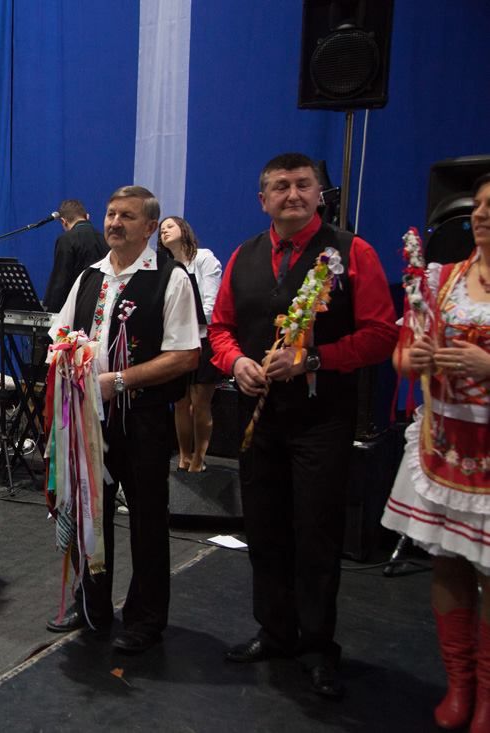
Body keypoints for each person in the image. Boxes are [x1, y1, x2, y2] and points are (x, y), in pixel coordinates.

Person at [209, 152, 398, 699]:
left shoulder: (353, 252)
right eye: (280, 186)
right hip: (258, 420)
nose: (291, 194)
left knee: (315, 533)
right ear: (262, 199)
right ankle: (274, 631)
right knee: (264, 529)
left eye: (302, 185)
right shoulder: (243, 255)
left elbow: (382, 335)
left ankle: (316, 645)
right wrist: (235, 363)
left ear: (319, 194)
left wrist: (315, 359)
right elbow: (220, 329)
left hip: (322, 420)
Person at [47, 185, 199, 652]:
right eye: (111, 214)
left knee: (147, 521)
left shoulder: (170, 279)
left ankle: (146, 619)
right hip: (88, 418)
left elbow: (186, 355)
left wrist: (121, 380)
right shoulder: (89, 276)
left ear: (150, 227)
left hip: (144, 419)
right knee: (89, 512)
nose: (114, 223)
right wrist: (66, 357)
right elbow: (60, 332)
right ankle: (91, 604)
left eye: (127, 216)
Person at [381, 173, 490, 730]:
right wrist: (414, 359)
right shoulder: (441, 279)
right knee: (448, 561)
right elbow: (403, 356)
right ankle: (459, 684)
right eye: (481, 205)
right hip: (444, 446)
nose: (484, 215)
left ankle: (488, 694)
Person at [157, 216, 223, 472]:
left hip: (203, 339)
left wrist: (182, 319)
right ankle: (184, 456)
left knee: (200, 403)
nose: (164, 231)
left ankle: (199, 458)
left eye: (170, 226)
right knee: (180, 401)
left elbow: (210, 305)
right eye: (161, 229)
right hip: (176, 342)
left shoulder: (205, 258)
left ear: (183, 230)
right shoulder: (165, 266)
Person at [42, 199, 109, 313]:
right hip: (100, 305)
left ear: (63, 221)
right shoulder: (105, 239)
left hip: (75, 305)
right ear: (87, 216)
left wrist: (51, 310)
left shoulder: (66, 239)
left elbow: (61, 278)